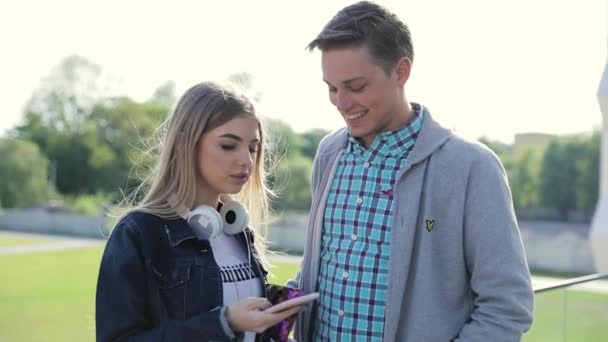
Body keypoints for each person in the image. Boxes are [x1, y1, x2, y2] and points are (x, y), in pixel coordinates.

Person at [288, 1, 534, 341]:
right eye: (331, 87)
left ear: (401, 71)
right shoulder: (328, 154)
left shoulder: (472, 169)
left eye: (356, 87)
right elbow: (321, 268)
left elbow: (507, 307)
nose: (341, 103)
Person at [96, 81, 301, 341]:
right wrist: (223, 322)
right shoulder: (140, 233)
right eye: (228, 145)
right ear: (187, 144)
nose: (246, 161)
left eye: (252, 147)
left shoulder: (238, 231)